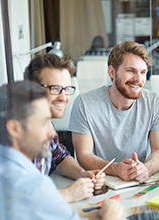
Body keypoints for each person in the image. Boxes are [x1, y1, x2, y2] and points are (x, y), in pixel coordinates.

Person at [0, 81, 122, 220]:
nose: (53, 133)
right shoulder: (35, 189)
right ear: (14, 128)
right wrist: (111, 215)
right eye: (43, 123)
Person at [69, 41, 159, 183]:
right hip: (101, 181)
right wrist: (115, 169)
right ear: (112, 72)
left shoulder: (155, 102)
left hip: (138, 182)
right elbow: (84, 154)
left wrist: (147, 168)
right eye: (131, 71)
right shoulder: (84, 103)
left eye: (143, 72)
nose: (138, 79)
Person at [23, 54, 106, 202]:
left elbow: (59, 157)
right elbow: (19, 198)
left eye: (67, 89)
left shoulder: (45, 122)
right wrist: (68, 194)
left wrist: (83, 173)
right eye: (55, 89)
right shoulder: (19, 132)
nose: (64, 97)